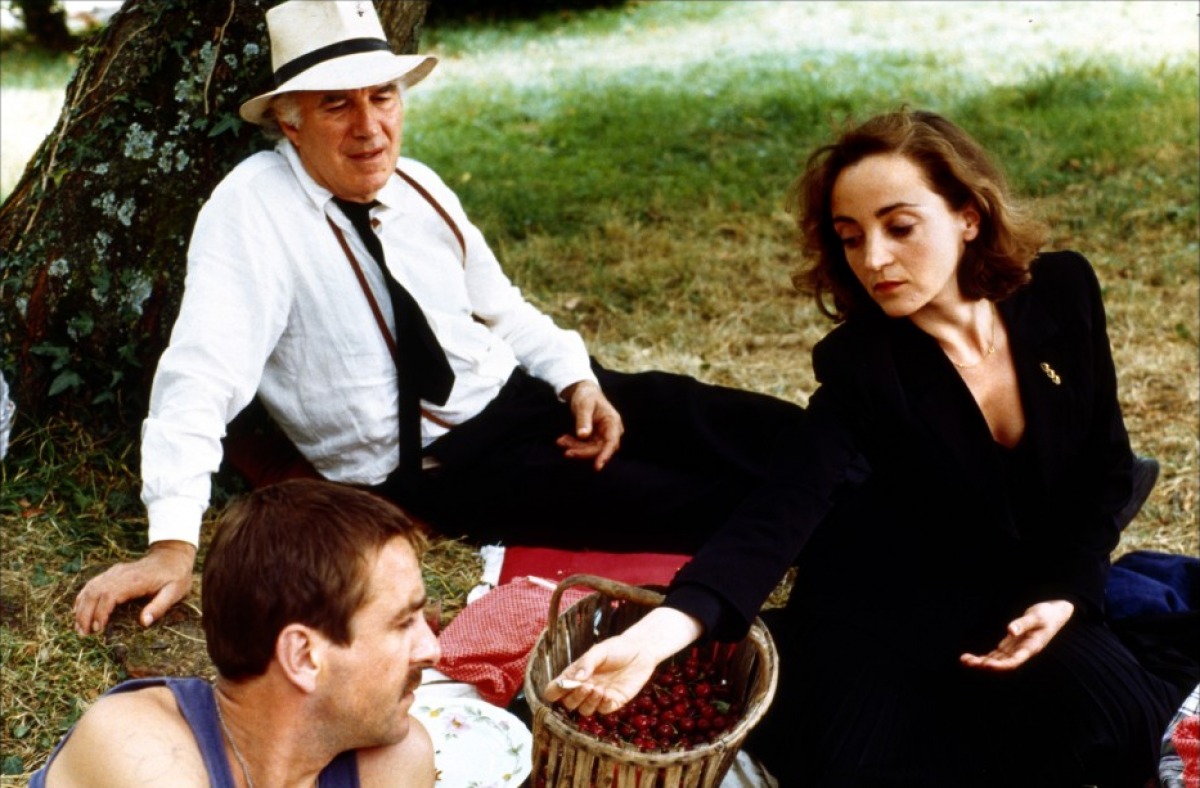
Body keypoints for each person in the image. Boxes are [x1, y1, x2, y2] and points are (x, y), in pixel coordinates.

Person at [72, 0, 805, 638]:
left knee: (748, 426)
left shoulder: (419, 185)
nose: (369, 128)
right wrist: (172, 543)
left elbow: (505, 309)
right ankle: (845, 511)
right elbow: (202, 373)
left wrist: (577, 381)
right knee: (700, 502)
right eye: (337, 105)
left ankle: (859, 459)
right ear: (290, 123)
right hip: (448, 465)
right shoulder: (252, 208)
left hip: (523, 395)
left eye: (382, 97)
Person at [544, 109, 1189, 787]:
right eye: (851, 238)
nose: (873, 259)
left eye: (899, 227)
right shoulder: (863, 365)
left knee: (1121, 729)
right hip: (891, 609)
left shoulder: (1063, 291)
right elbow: (782, 509)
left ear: (968, 216)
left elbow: (1104, 471)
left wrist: (1065, 595)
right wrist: (660, 633)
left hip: (1020, 594)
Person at [34, 479, 441, 787]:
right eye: (403, 623)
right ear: (302, 657)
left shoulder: (394, 765)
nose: (432, 650)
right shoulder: (138, 747)